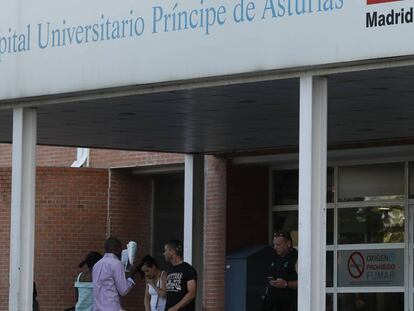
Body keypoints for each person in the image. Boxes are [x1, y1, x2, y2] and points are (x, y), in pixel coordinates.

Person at [93, 237, 138, 311]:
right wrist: (131, 276)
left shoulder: (96, 265)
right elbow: (123, 290)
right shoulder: (116, 263)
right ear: (116, 249)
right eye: (121, 250)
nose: (122, 252)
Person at [268, 230, 298, 311]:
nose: (275, 247)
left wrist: (286, 284)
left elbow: (305, 284)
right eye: (274, 244)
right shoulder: (275, 256)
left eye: (278, 245)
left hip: (290, 304)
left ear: (288, 244)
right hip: (272, 304)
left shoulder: (296, 257)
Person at [163, 240, 197, 311]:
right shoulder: (170, 270)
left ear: (172, 251)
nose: (164, 253)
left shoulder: (188, 269)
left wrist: (176, 307)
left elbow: (192, 293)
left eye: (166, 250)